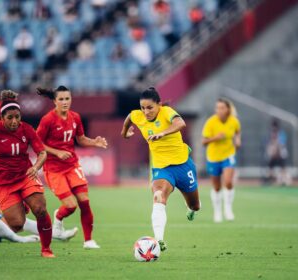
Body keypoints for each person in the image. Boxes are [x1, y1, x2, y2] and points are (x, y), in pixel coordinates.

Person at [121, 87, 201, 251]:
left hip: (183, 165)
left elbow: (181, 123)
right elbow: (130, 117)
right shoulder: (138, 115)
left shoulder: (166, 112)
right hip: (162, 168)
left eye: (150, 107)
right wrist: (124, 133)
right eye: (143, 107)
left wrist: (162, 133)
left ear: (158, 105)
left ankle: (191, 209)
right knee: (158, 196)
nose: (145, 111)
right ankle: (158, 241)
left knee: (195, 206)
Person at [36, 86, 108, 249]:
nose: (65, 102)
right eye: (61, 99)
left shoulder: (75, 117)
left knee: (85, 201)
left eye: (67, 98)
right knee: (70, 206)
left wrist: (94, 142)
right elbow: (37, 142)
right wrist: (57, 152)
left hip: (72, 165)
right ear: (54, 101)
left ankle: (88, 241)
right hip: (53, 169)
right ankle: (58, 219)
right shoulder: (48, 120)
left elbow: (80, 139)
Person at [0, 90, 54, 257]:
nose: (14, 121)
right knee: (17, 224)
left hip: (25, 176)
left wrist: (35, 167)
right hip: (3, 183)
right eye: (10, 118)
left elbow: (42, 152)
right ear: (2, 118)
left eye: (17, 117)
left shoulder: (26, 129)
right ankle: (22, 203)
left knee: (40, 209)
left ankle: (46, 249)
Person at [202, 98, 241, 223]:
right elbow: (203, 142)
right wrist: (215, 138)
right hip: (213, 157)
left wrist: (238, 140)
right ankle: (217, 212)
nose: (219, 110)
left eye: (222, 107)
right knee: (217, 187)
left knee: (228, 182)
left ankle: (228, 209)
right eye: (217, 108)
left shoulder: (234, 121)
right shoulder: (211, 122)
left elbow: (238, 131)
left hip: (228, 155)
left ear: (228, 109)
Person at [264, 119, 291, 185]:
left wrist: (275, 150)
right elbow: (270, 145)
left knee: (283, 167)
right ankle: (271, 180)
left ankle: (284, 181)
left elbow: (281, 145)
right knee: (270, 167)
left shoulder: (281, 134)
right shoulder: (272, 134)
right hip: (274, 155)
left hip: (280, 155)